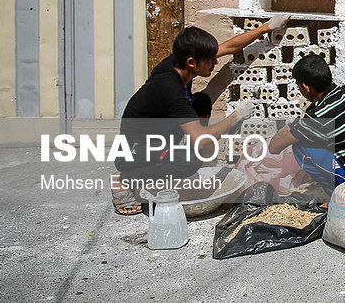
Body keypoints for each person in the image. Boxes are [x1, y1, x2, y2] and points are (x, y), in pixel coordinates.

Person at [113, 14, 289, 214]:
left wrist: (266, 27)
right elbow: (202, 141)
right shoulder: (170, 90)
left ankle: (163, 165)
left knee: (202, 102)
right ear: (191, 62)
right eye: (211, 61)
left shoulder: (179, 61)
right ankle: (124, 178)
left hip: (156, 136)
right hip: (134, 152)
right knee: (187, 162)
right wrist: (236, 116)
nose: (215, 63)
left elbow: (228, 48)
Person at [268, 54, 345, 196]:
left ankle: (336, 193)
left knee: (301, 147)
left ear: (306, 87)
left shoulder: (318, 117)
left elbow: (274, 147)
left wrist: (292, 125)